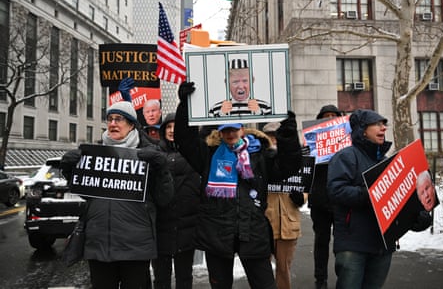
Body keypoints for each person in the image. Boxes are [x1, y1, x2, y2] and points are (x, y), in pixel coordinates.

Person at [175, 82, 302, 289]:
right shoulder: (208, 155)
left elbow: (289, 166)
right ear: (220, 132)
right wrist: (184, 107)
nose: (230, 134)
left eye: (234, 129)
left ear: (242, 129)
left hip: (253, 233)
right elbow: (185, 140)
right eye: (225, 130)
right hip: (216, 235)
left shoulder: (260, 155)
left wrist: (288, 133)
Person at [60, 100, 174, 289]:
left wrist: (162, 170)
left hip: (135, 249)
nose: (113, 124)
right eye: (110, 119)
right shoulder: (93, 155)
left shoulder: (148, 154)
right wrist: (69, 171)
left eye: (119, 119)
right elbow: (87, 193)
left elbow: (164, 198)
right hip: (99, 247)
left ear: (131, 125)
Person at [327, 109, 393, 289]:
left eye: (384, 124)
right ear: (363, 129)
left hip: (382, 245)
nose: (383, 128)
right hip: (353, 245)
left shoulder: (387, 162)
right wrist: (369, 194)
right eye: (377, 124)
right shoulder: (346, 156)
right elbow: (336, 190)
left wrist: (416, 216)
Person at [151, 112, 201, 289]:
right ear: (163, 130)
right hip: (161, 228)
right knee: (161, 279)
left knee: (184, 278)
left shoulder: (195, 153)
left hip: (186, 228)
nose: (173, 131)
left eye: (176, 127)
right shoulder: (154, 153)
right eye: (169, 127)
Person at [263, 122, 307, 289]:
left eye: (277, 136)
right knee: (261, 271)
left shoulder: (296, 159)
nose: (275, 140)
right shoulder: (260, 159)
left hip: (288, 225)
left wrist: (301, 197)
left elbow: (305, 185)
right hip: (265, 223)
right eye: (271, 136)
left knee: (284, 270)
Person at [309, 104, 342, 289]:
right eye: (326, 115)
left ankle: (342, 276)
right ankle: (320, 279)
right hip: (319, 201)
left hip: (340, 200)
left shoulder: (347, 141)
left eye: (333, 115)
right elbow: (305, 169)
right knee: (321, 241)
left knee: (341, 242)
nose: (329, 118)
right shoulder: (312, 141)